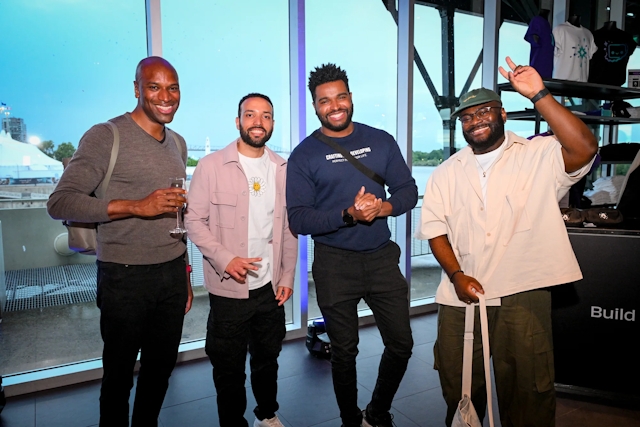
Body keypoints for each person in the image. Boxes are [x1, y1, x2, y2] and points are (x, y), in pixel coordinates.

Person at [417, 57, 598, 427]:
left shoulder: (539, 154)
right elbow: (435, 230)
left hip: (523, 287)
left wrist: (539, 95)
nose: (476, 120)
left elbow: (584, 148)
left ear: (502, 113)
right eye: (467, 116)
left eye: (484, 111)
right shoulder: (445, 172)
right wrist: (455, 274)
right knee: (459, 384)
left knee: (528, 388)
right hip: (460, 295)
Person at [47, 56, 193, 427]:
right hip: (124, 277)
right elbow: (60, 201)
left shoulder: (178, 142)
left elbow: (180, 218)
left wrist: (186, 276)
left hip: (171, 275)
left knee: (160, 373)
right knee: (118, 378)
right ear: (137, 89)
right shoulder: (105, 135)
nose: (166, 96)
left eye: (172, 87)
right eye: (154, 86)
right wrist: (137, 207)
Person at [286, 63, 418, 427]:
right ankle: (349, 420)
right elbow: (298, 219)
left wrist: (383, 208)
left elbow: (408, 190)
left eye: (340, 97)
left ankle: (377, 411)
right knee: (343, 352)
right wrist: (348, 215)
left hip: (380, 259)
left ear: (350, 97)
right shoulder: (304, 156)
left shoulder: (380, 140)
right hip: (334, 264)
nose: (335, 106)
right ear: (316, 107)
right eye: (325, 101)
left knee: (402, 344)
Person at [184, 93, 297, 427]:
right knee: (228, 365)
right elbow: (193, 222)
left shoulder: (282, 169)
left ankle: (267, 413)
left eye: (266, 116)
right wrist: (225, 258)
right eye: (250, 115)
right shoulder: (211, 166)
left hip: (269, 287)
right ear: (238, 122)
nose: (258, 122)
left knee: (268, 358)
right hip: (228, 288)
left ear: (273, 123)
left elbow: (289, 229)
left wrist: (288, 275)